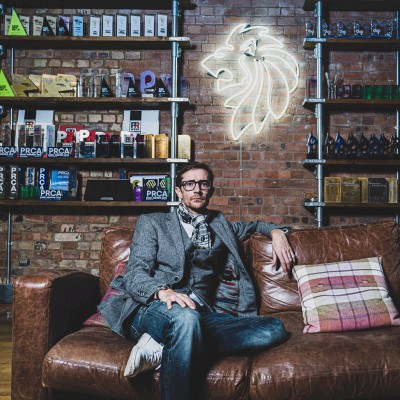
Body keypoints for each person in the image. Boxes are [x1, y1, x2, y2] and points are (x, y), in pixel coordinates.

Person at [99, 162, 295, 400]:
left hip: (201, 313)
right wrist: (163, 292)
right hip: (152, 307)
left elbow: (255, 225)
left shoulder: (220, 226)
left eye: (203, 183)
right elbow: (135, 274)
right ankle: (177, 338)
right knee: (185, 320)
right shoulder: (153, 223)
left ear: (211, 189)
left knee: (273, 329)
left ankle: (166, 346)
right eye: (189, 184)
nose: (197, 189)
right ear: (179, 191)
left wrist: (276, 233)